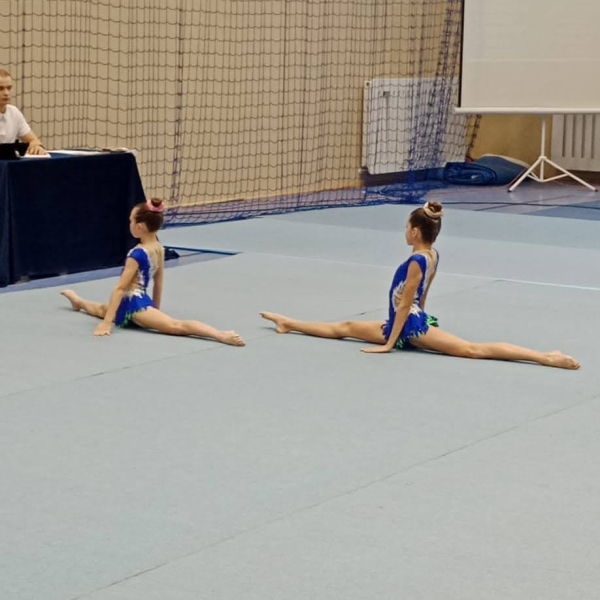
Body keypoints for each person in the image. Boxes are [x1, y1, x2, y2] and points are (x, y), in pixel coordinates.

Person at [261, 201, 580, 369]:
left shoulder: (416, 261)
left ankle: (545, 357)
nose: (404, 231)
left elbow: (405, 303)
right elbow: (422, 295)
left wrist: (390, 343)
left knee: (472, 350)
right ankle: (288, 322)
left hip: (409, 327)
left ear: (415, 231)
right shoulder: (432, 255)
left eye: (406, 227)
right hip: (404, 324)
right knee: (344, 326)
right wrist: (414, 319)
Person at [61, 198, 245, 347]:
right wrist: (154, 309)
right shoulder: (159, 247)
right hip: (134, 301)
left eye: (131, 221)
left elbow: (120, 288)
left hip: (135, 303)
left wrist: (108, 322)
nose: (129, 224)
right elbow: (158, 283)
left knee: (173, 325)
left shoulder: (137, 254)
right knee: (101, 309)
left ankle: (220, 334)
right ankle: (77, 301)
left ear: (140, 226)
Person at [0, 69, 47, 155]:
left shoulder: (14, 112)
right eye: (0, 89)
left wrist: (37, 147)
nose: (6, 93)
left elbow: (34, 140)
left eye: (9, 88)